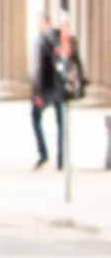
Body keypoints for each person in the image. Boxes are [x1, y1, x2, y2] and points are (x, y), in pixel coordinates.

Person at [29, 12, 85, 171]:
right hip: (61, 88)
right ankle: (61, 159)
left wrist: (36, 92)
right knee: (61, 124)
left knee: (35, 118)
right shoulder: (64, 39)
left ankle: (43, 154)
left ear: (42, 22)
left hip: (45, 87)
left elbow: (37, 68)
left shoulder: (40, 40)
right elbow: (76, 62)